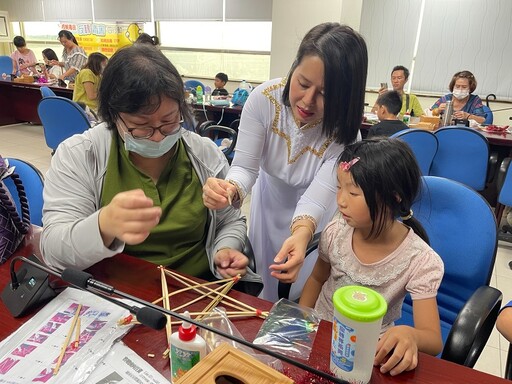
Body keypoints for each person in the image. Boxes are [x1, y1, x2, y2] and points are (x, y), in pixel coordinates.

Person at [41, 44, 261, 288]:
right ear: (114, 116)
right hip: (117, 299)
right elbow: (53, 251)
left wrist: (224, 250)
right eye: (141, 126)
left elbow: (230, 221)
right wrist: (103, 225)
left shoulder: (204, 154)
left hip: (197, 291)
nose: (158, 137)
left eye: (169, 122)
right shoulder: (81, 155)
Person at [202, 22, 368, 301]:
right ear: (293, 69)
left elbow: (316, 200)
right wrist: (229, 188)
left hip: (316, 217)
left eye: (325, 94)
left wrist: (303, 234)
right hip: (269, 205)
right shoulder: (264, 100)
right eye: (302, 83)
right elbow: (244, 167)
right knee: (264, 287)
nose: (307, 100)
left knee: (306, 292)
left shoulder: (346, 134)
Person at [299, 138, 444, 376]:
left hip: (372, 350)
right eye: (339, 187)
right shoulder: (335, 233)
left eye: (353, 192)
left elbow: (433, 339)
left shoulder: (420, 260)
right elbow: (316, 279)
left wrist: (410, 335)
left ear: (394, 197)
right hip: (323, 332)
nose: (341, 200)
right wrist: (302, 321)